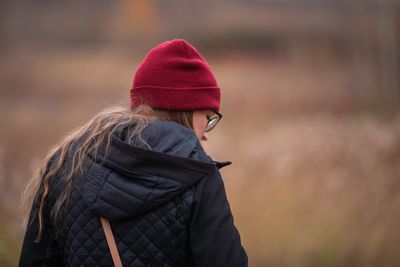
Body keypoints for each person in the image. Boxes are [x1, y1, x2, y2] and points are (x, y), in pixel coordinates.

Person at [19, 39, 248, 267]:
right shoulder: (199, 174)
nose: (205, 134)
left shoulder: (66, 163)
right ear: (186, 110)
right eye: (207, 118)